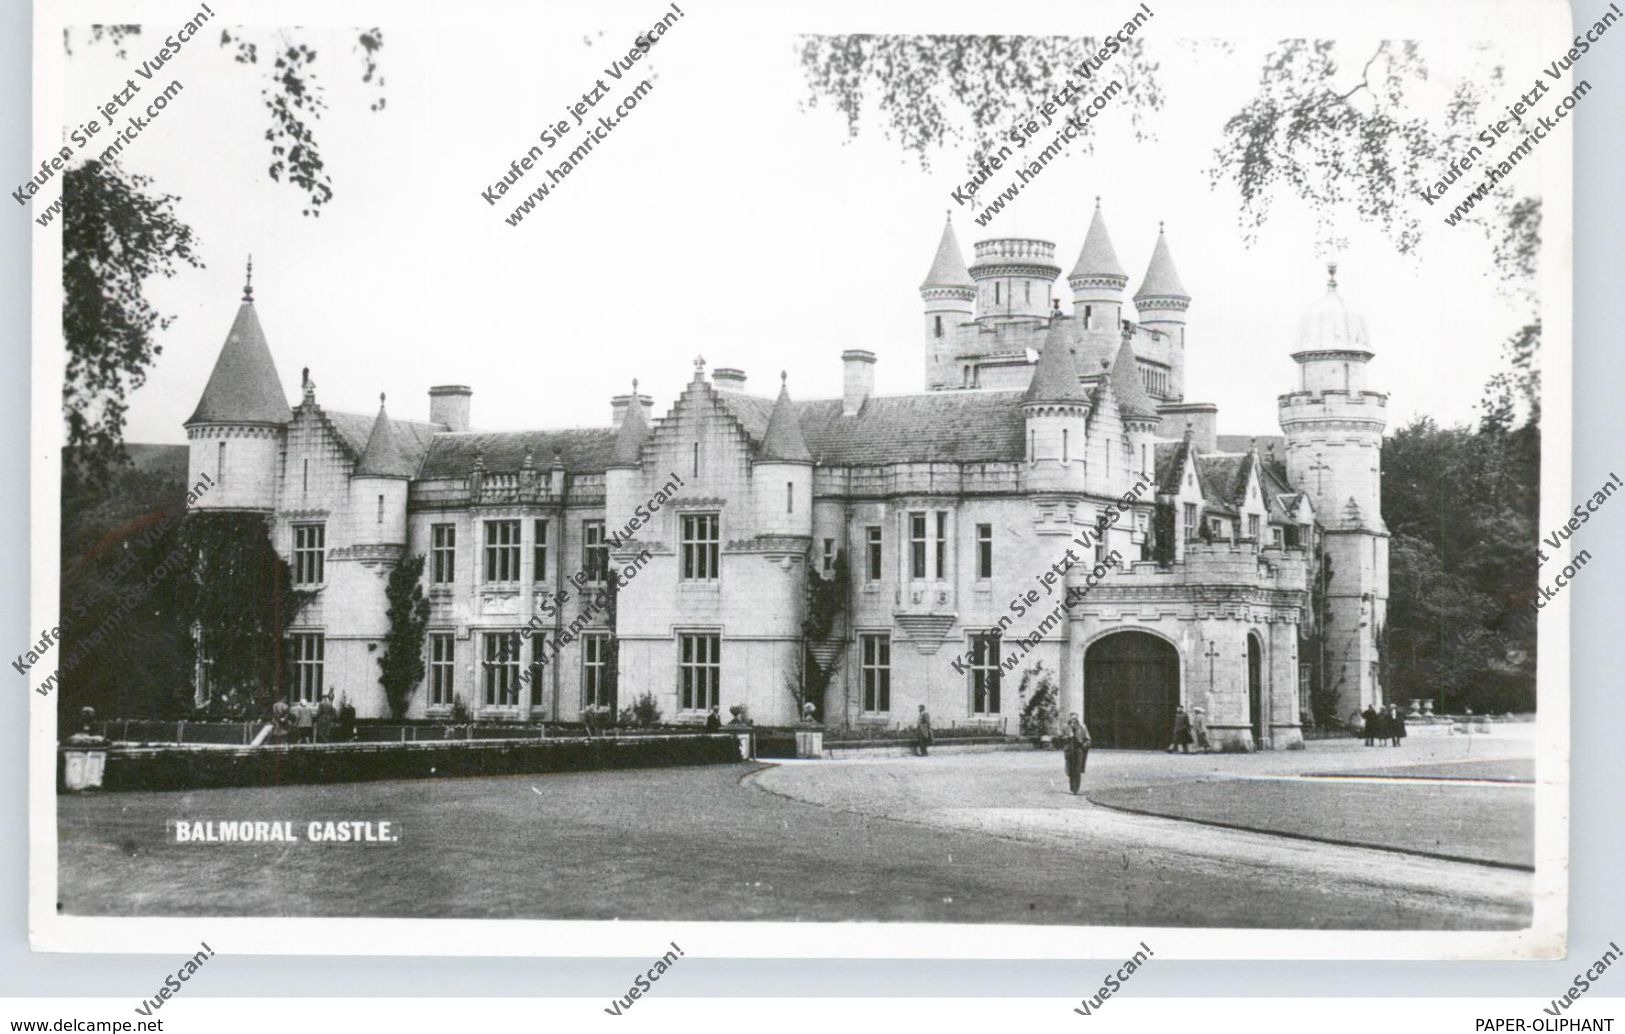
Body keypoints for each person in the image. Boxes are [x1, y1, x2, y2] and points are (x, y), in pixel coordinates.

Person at [1061, 713, 1092, 794]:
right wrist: (1068, 737)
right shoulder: (1066, 727)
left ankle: (1076, 788)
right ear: (1070, 719)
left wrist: (1083, 746)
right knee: (1070, 769)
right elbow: (1060, 738)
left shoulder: (1082, 727)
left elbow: (1088, 739)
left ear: (1077, 719)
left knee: (1077, 769)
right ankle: (1072, 785)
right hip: (1069, 750)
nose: (1073, 720)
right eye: (1072, 718)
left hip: (1079, 749)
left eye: (1075, 718)